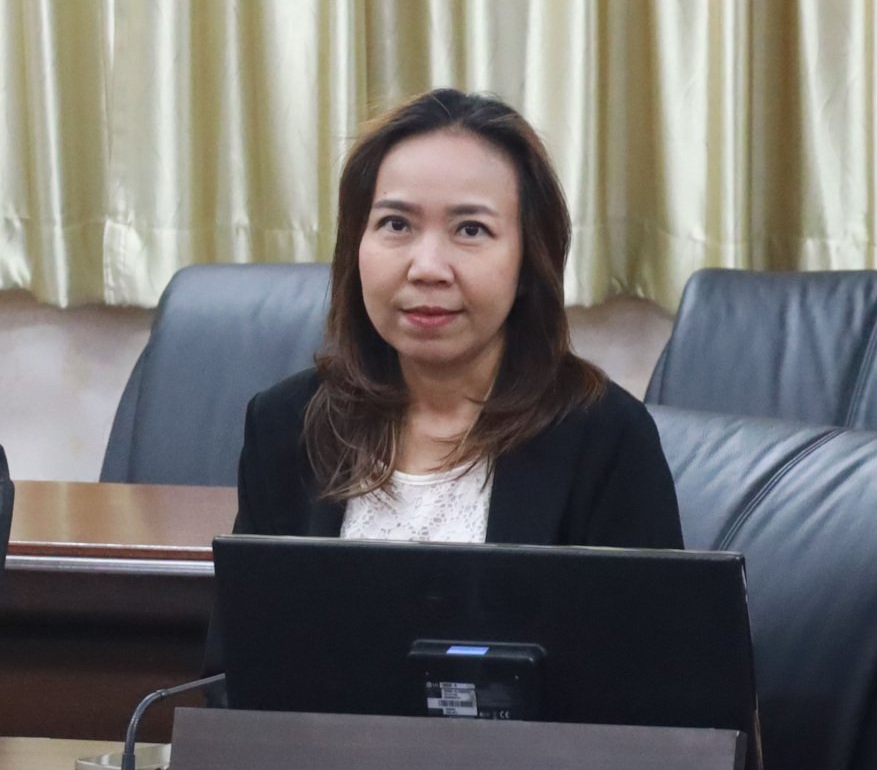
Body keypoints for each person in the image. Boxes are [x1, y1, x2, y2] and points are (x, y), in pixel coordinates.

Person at [231, 88, 682, 551]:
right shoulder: (285, 425)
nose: (427, 268)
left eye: (470, 229)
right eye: (396, 224)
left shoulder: (607, 440)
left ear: (529, 261)